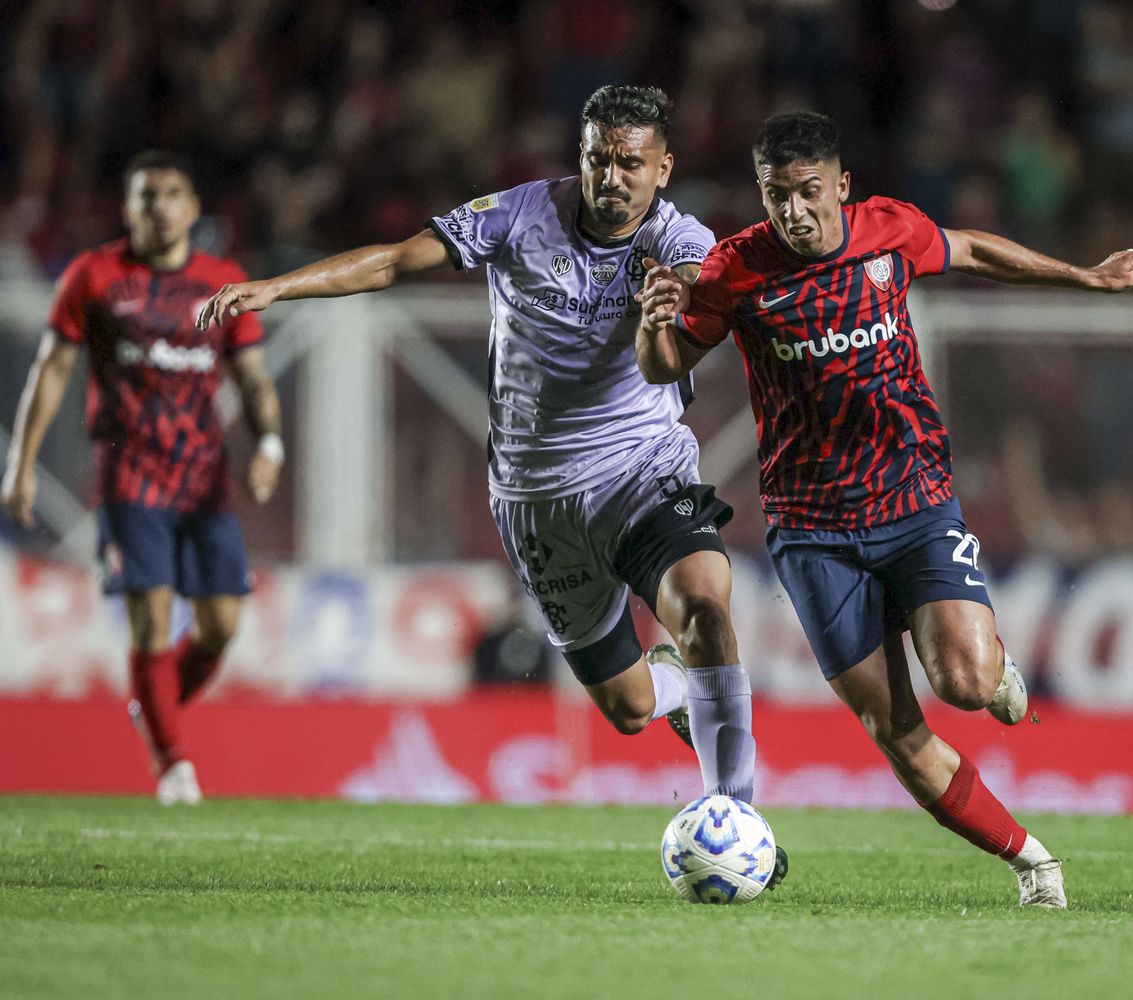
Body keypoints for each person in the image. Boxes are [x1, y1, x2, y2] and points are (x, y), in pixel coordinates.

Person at [196, 86, 786, 885]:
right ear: (581, 156)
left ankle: (736, 819)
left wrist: (674, 300)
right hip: (535, 498)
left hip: (641, 469)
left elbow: (696, 288)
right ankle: (677, 687)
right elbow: (396, 261)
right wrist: (276, 288)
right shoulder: (519, 214)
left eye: (631, 164)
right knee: (630, 709)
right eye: (598, 159)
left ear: (662, 168)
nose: (612, 178)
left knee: (708, 608)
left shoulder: (679, 238)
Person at [637, 111, 1133, 908]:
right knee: (896, 732)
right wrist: (651, 325)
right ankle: (1034, 863)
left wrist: (1084, 276)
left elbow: (975, 249)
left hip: (915, 500)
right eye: (776, 195)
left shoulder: (888, 230)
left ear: (841, 186)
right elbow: (667, 362)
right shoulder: (733, 271)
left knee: (965, 681)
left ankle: (990, 659)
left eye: (809, 192)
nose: (793, 211)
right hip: (812, 532)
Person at [1, 150, 285, 805]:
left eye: (171, 194)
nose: (159, 206)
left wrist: (269, 442)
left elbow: (254, 377)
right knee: (151, 620)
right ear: (127, 208)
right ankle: (172, 763)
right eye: (145, 195)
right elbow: (52, 369)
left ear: (192, 207)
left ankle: (153, 705)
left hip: (205, 480)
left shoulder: (223, 280)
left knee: (221, 626)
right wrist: (21, 463)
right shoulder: (95, 276)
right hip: (131, 475)